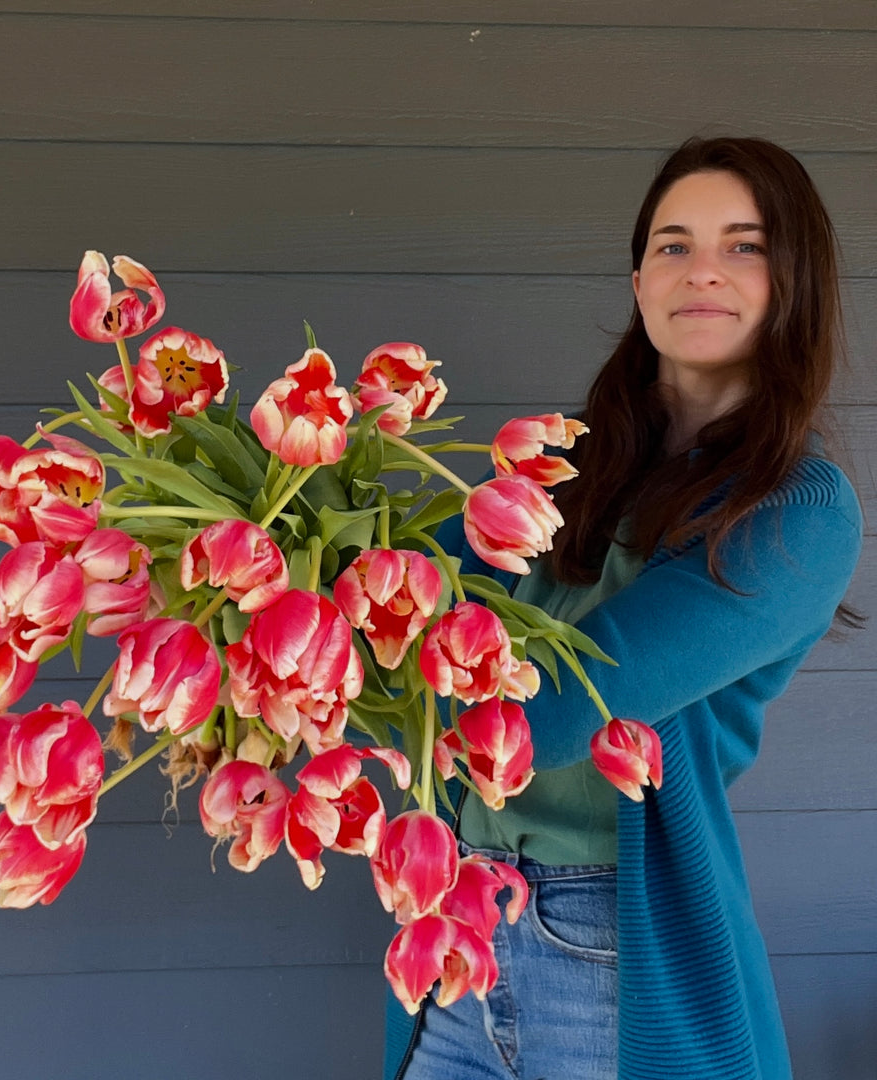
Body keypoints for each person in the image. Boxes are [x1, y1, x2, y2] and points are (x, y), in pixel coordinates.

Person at [385, 137, 864, 1080]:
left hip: (611, 951)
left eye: (746, 245)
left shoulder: (795, 511)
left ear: (795, 280)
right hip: (459, 926)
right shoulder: (555, 469)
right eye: (674, 244)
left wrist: (359, 671)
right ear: (639, 281)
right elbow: (390, 602)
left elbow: (564, 705)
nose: (704, 272)